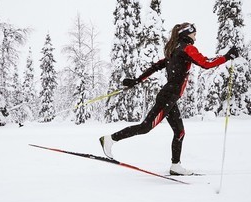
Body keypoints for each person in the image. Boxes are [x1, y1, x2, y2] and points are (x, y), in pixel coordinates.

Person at [99, 22, 239, 175]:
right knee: (146, 127)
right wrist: (226, 57)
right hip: (168, 96)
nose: (195, 37)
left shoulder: (174, 50)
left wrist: (136, 80)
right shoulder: (186, 48)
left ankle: (175, 166)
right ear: (186, 34)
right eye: (194, 33)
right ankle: (110, 139)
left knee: (179, 131)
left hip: (170, 97)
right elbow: (205, 63)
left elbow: (156, 66)